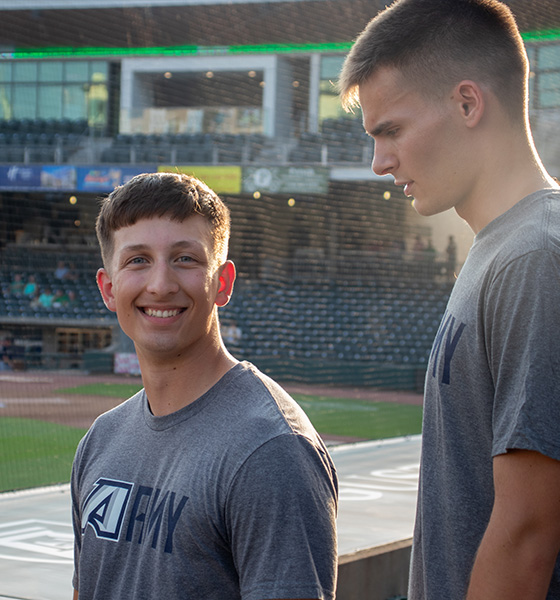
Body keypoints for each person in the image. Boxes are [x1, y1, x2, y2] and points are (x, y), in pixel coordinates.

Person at [339, 1, 560, 599]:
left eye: (391, 131)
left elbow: (527, 534)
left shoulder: (534, 257)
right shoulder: (502, 246)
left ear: (467, 103)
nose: (381, 162)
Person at [71, 172, 338, 600]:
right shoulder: (100, 441)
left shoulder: (271, 449)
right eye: (138, 260)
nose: (160, 285)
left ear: (224, 283)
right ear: (108, 288)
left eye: (185, 259)